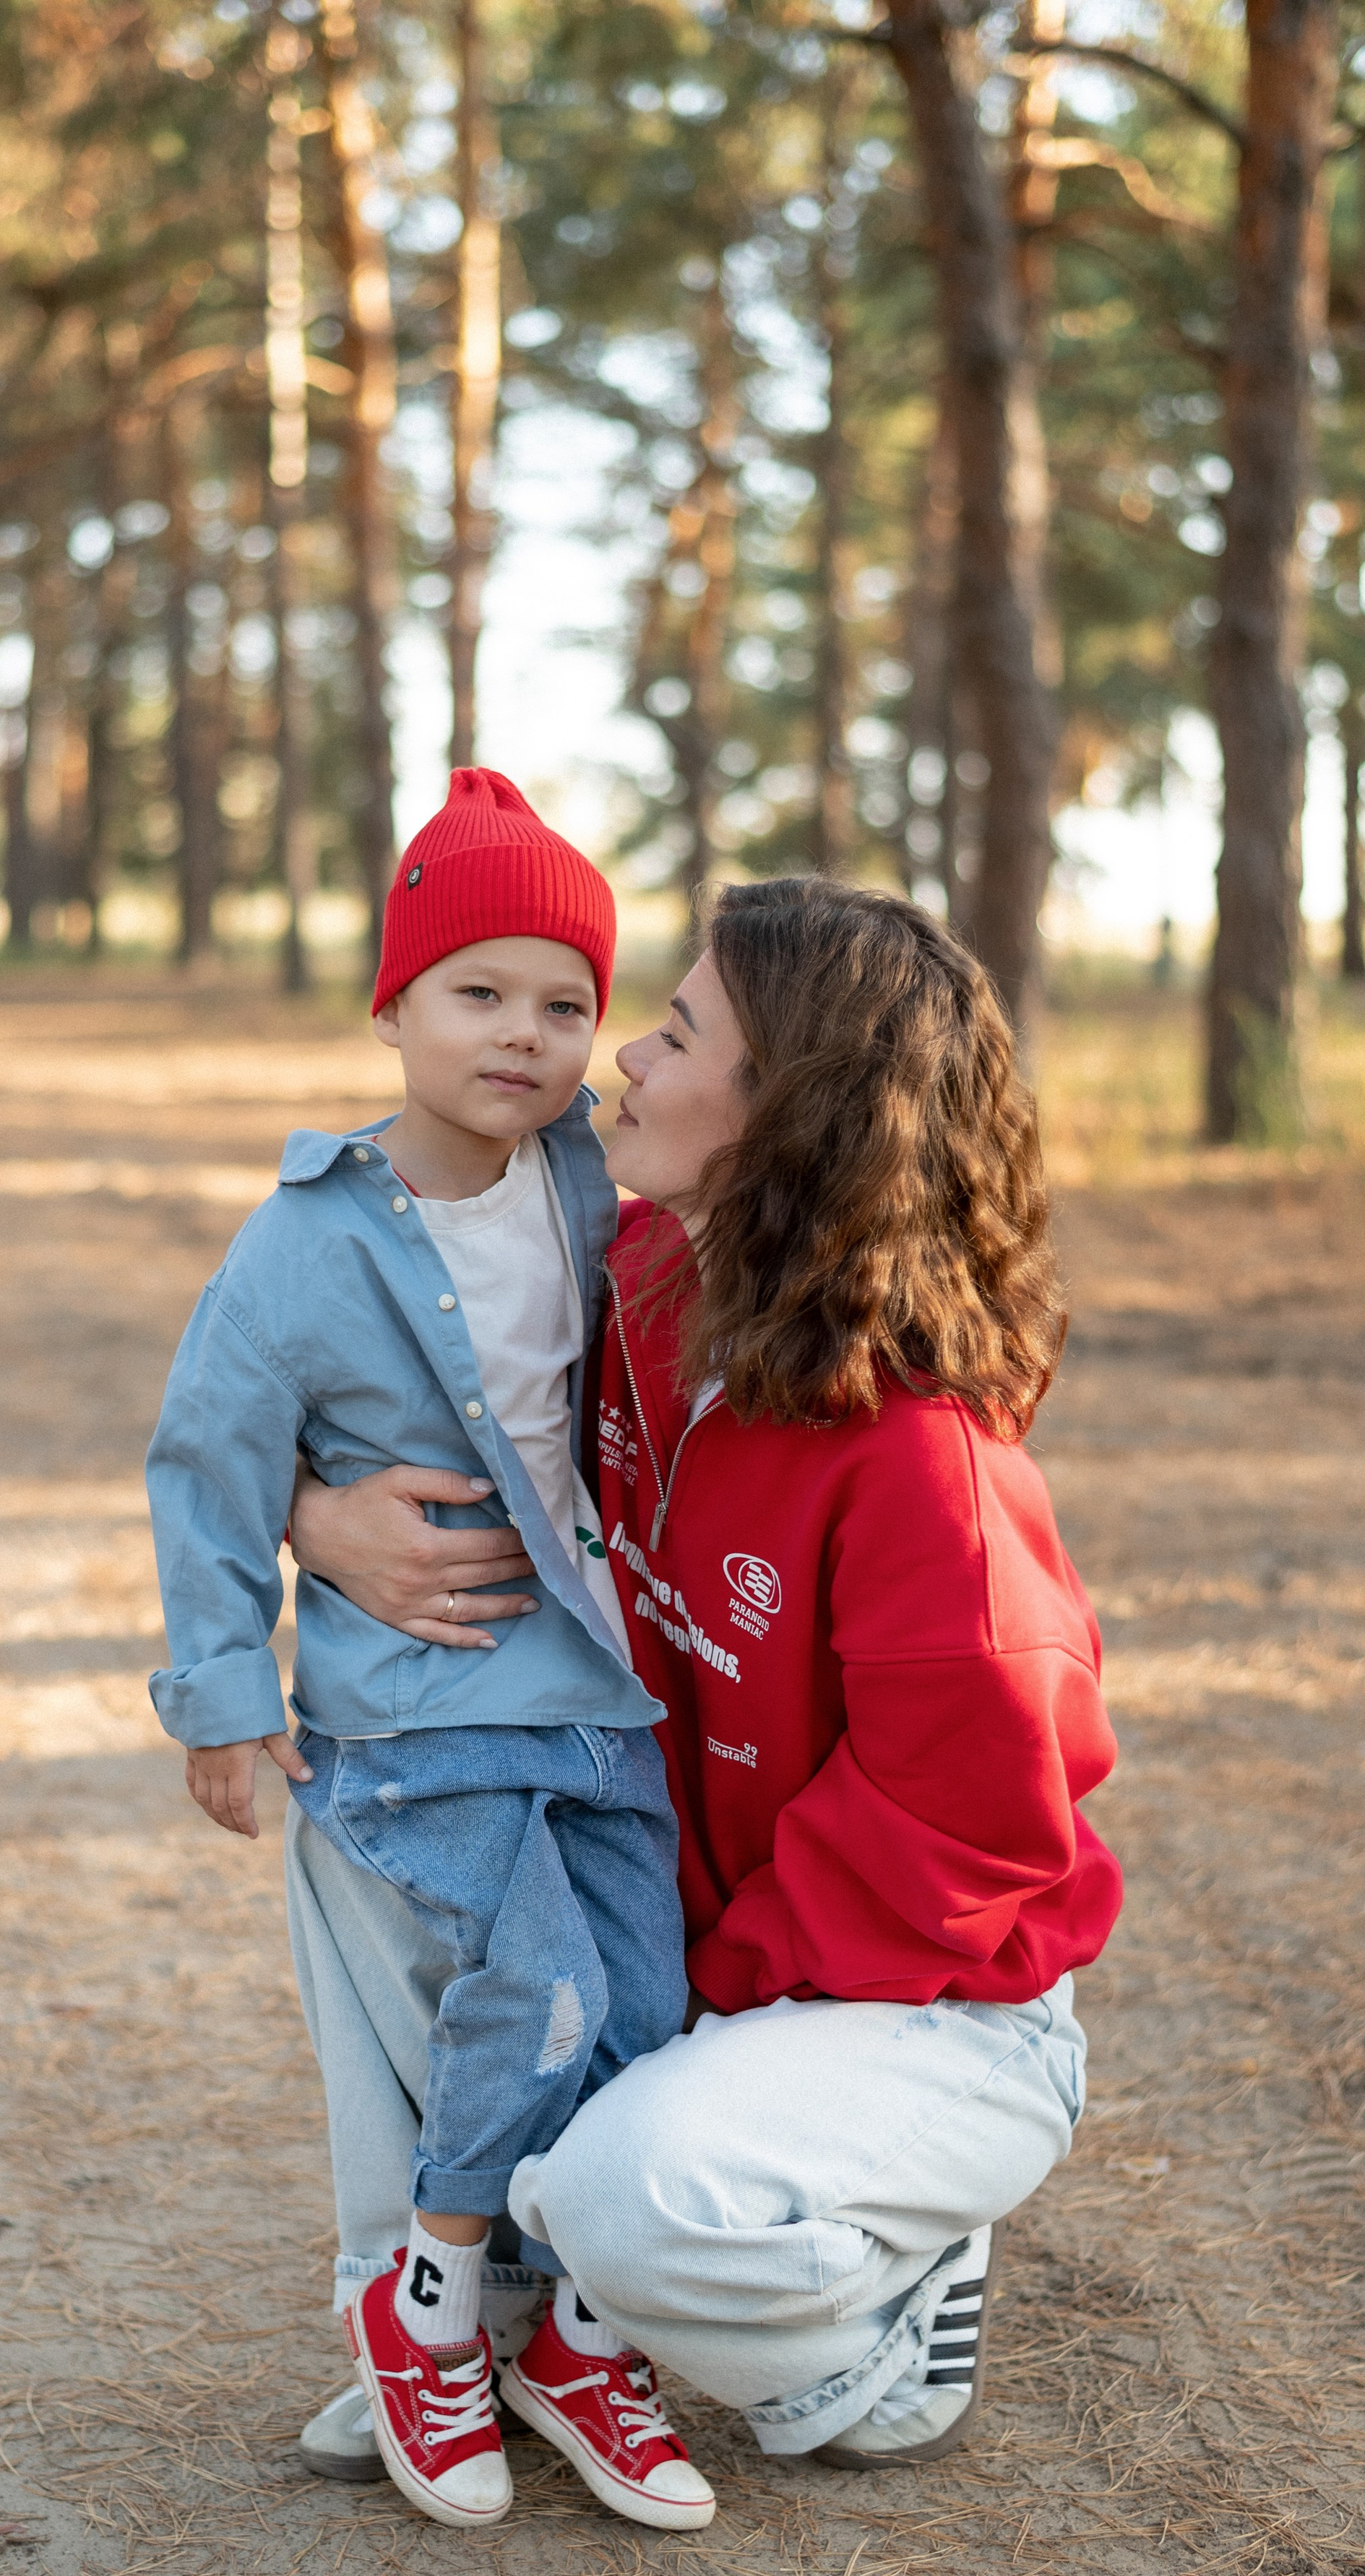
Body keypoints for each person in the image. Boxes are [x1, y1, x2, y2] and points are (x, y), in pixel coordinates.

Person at [288, 875, 1123, 2479]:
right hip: (695, 1930)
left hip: (921, 2000)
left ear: (785, 1113)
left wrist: (679, 2004)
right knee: (366, 1810)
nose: (624, 1059)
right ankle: (444, 2329)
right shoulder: (643, 1283)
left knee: (625, 2191)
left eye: (675, 1036)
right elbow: (327, 1355)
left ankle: (876, 2309)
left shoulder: (921, 1466)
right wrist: (311, 1520)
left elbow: (974, 1840)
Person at [145, 767, 717, 2533]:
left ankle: (579, 2338)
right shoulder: (306, 1240)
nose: (523, 1036)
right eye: (477, 992)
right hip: (419, 1710)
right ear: (390, 1007)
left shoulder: (590, 1192)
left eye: (565, 1004)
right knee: (532, 1989)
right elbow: (207, 1460)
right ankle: (427, 2297)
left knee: (644, 2010)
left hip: (594, 1696)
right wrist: (223, 1696)